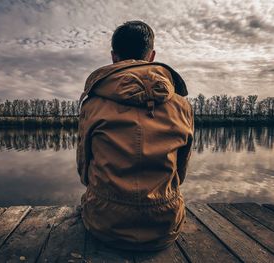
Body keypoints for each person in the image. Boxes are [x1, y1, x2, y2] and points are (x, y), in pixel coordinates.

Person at [76, 20, 194, 251]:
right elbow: (181, 172)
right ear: (151, 55)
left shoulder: (92, 105)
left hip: (104, 223)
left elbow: (83, 169)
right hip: (165, 224)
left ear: (114, 57)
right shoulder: (182, 106)